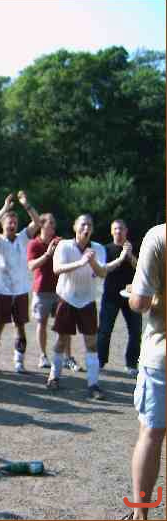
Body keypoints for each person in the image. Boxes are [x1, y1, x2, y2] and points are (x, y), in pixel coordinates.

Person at [46, 214, 107, 400]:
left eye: (89, 225)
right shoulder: (64, 246)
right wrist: (80, 262)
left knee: (91, 344)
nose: (86, 228)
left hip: (88, 301)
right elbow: (56, 268)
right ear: (75, 227)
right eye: (82, 225)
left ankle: (93, 384)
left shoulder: (98, 248)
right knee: (61, 340)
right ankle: (53, 377)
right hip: (66, 298)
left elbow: (102, 272)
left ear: (92, 229)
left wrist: (91, 261)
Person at [127, 223, 165, 521]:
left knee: (151, 434)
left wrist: (133, 294)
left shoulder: (158, 237)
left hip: (161, 355)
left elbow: (139, 302)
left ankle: (141, 516)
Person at [0, 191, 41, 373]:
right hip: (2, 291)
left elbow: (37, 223)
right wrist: (4, 209)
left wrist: (26, 204)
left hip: (20, 291)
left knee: (20, 327)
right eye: (9, 222)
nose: (12, 224)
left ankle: (19, 362)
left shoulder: (23, 238)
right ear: (2, 225)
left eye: (14, 222)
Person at [97, 219, 142, 375]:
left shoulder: (135, 248)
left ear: (126, 231)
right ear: (111, 231)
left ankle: (131, 364)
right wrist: (121, 258)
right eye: (115, 229)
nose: (118, 231)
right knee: (104, 330)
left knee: (135, 331)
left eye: (121, 228)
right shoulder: (106, 249)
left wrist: (129, 256)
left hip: (132, 295)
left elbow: (142, 270)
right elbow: (102, 271)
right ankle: (100, 361)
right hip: (111, 295)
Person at [27, 213, 62, 369]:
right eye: (50, 223)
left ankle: (63, 356)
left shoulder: (59, 242)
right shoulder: (34, 244)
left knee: (63, 325)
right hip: (41, 291)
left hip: (60, 290)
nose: (53, 226)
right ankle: (43, 356)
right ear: (41, 225)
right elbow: (31, 265)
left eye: (54, 223)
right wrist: (48, 254)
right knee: (42, 323)